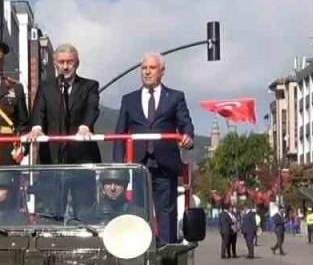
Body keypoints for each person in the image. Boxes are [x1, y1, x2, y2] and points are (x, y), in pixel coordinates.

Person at [111, 52, 194, 244]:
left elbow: (186, 124)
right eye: (144, 68)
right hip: (137, 166)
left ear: (162, 71)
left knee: (166, 216)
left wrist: (188, 135)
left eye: (152, 68)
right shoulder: (128, 100)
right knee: (138, 215)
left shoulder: (175, 97)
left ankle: (166, 259)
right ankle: (140, 257)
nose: (147, 72)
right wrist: (117, 169)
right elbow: (119, 135)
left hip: (165, 166)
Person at [26, 43, 101, 164]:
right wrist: (36, 128)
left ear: (77, 63)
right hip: (51, 157)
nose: (65, 67)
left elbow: (92, 109)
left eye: (69, 62)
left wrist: (84, 127)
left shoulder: (89, 86)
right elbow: (38, 111)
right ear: (55, 64)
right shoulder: (45, 88)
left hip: (81, 156)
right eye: (61, 62)